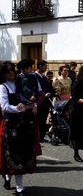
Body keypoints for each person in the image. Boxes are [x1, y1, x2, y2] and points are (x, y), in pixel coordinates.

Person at [0, 61, 38, 196]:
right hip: (11, 124)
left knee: (24, 154)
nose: (11, 72)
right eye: (7, 71)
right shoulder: (3, 87)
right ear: (3, 74)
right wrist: (17, 109)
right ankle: (18, 187)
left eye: (12, 70)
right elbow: (4, 106)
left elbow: (32, 97)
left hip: (25, 124)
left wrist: (33, 106)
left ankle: (12, 180)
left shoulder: (21, 81)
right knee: (14, 156)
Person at [35, 60, 55, 143]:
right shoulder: (34, 76)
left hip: (45, 102)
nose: (46, 68)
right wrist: (43, 94)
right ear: (40, 66)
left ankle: (42, 136)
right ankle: (38, 136)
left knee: (43, 120)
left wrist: (53, 93)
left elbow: (48, 87)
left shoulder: (43, 77)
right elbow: (36, 88)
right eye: (45, 66)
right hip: (38, 102)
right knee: (38, 120)